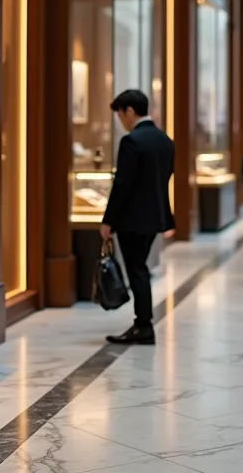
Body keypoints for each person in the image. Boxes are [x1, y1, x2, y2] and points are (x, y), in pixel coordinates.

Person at [100, 90, 175, 345]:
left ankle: (143, 325)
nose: (120, 120)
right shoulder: (164, 140)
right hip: (154, 218)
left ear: (129, 111)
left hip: (132, 219)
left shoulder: (132, 141)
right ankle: (142, 323)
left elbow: (122, 184)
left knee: (137, 271)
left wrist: (108, 220)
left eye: (120, 114)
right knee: (140, 269)